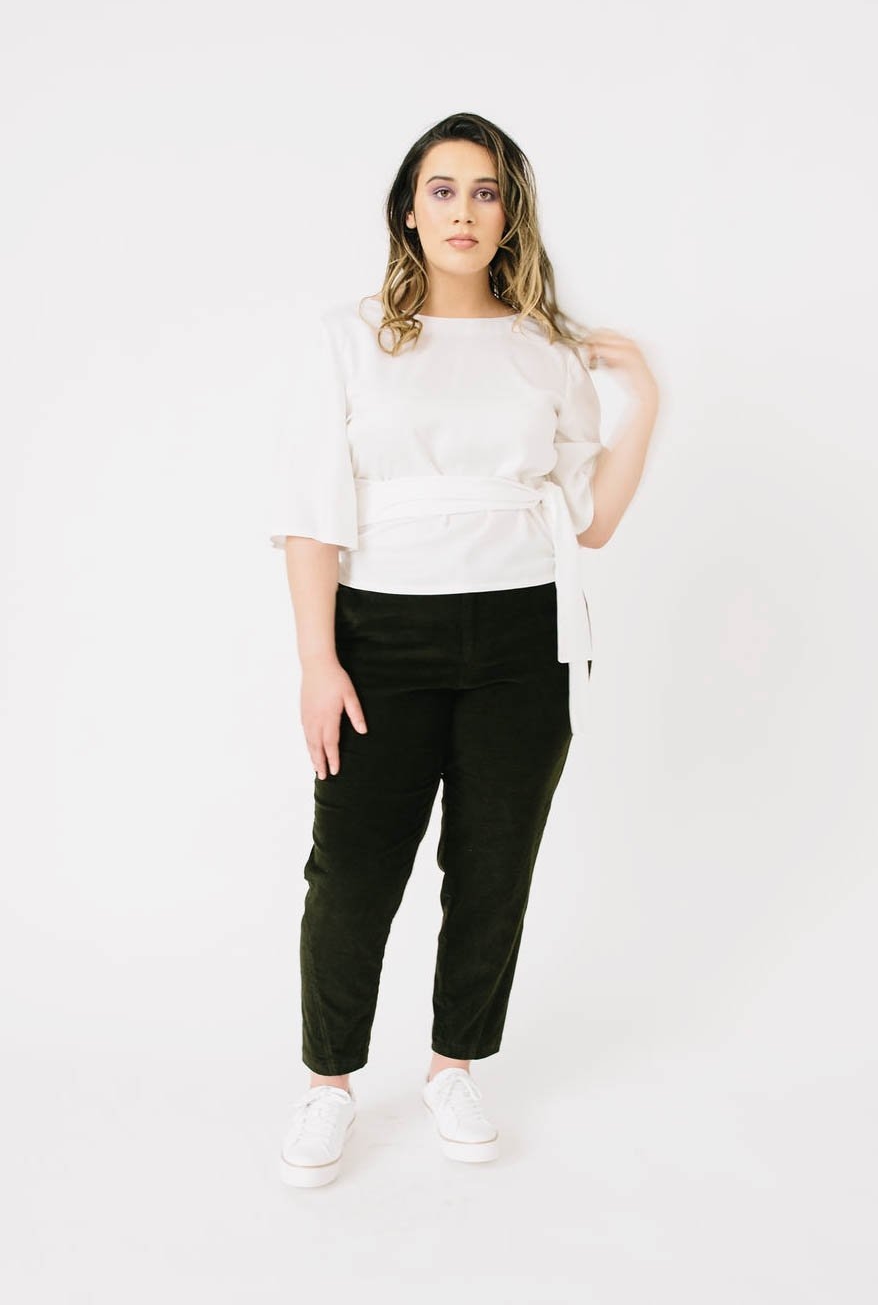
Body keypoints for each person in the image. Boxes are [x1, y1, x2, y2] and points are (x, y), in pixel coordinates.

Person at [270, 112, 659, 1188]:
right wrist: (318, 660)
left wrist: (644, 402)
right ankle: (328, 1084)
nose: (463, 210)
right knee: (351, 871)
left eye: (485, 192)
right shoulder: (348, 337)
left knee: (492, 868)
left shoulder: (544, 348)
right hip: (382, 633)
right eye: (442, 190)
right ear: (408, 210)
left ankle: (453, 1067)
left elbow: (589, 521)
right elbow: (310, 514)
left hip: (526, 635)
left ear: (509, 214)